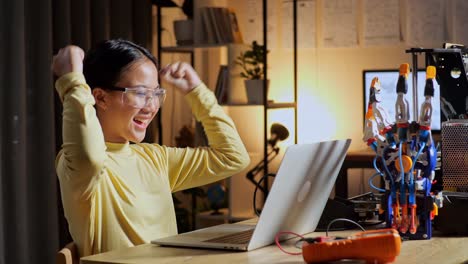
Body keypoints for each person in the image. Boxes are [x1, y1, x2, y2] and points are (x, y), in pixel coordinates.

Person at [52, 39, 250, 257]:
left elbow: (233, 157)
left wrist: (196, 91)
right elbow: (90, 158)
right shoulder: (77, 167)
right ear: (100, 97)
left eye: (156, 94)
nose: (152, 106)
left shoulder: (155, 159)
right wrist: (72, 84)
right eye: (139, 93)